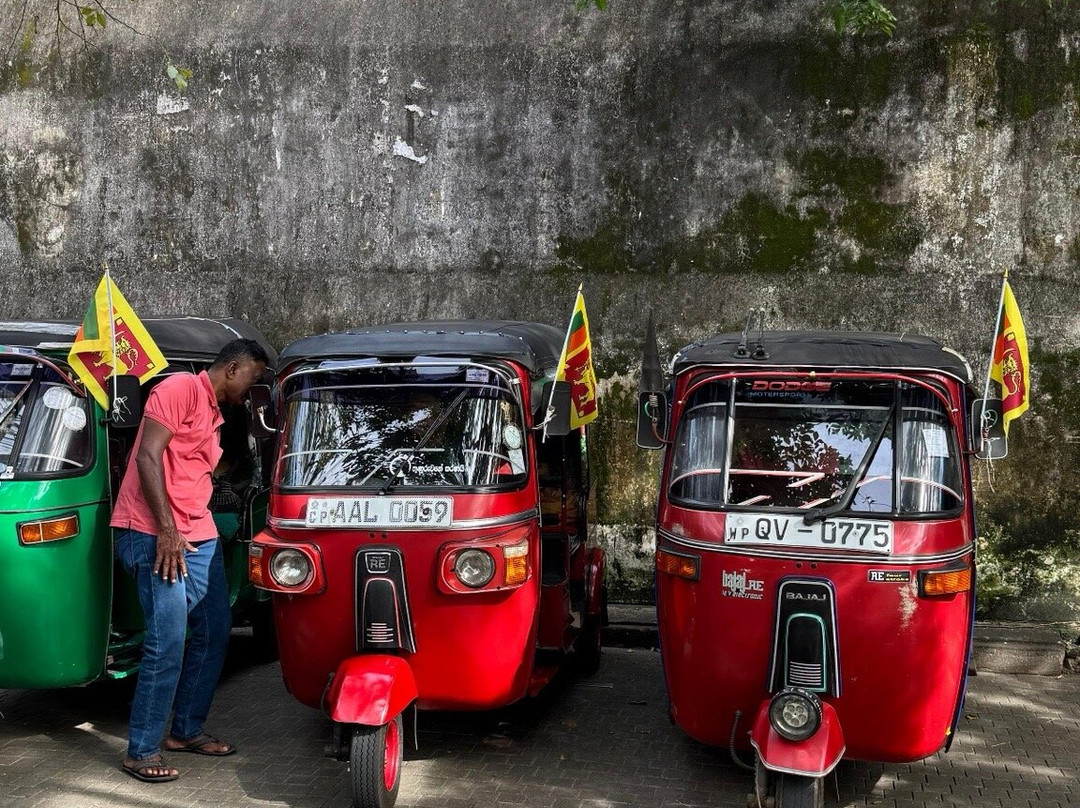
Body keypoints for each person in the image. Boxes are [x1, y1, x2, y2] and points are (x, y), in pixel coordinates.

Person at [110, 338, 269, 783]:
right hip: (154, 532)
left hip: (199, 534)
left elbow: (196, 470)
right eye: (252, 380)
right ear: (233, 368)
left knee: (216, 630)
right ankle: (140, 750)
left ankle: (185, 731)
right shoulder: (179, 388)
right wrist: (165, 530)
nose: (251, 391)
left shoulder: (220, 413)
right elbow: (146, 455)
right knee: (167, 642)